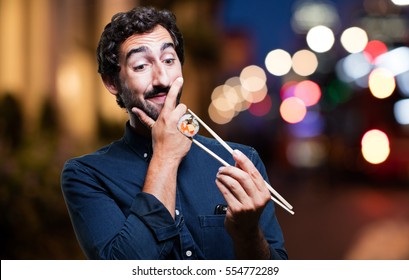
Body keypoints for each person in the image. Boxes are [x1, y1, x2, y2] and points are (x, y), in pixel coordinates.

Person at [61, 6, 287, 260]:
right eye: (140, 65)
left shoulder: (240, 161)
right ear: (112, 82)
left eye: (169, 60)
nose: (162, 79)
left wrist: (247, 233)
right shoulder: (86, 175)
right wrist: (165, 156)